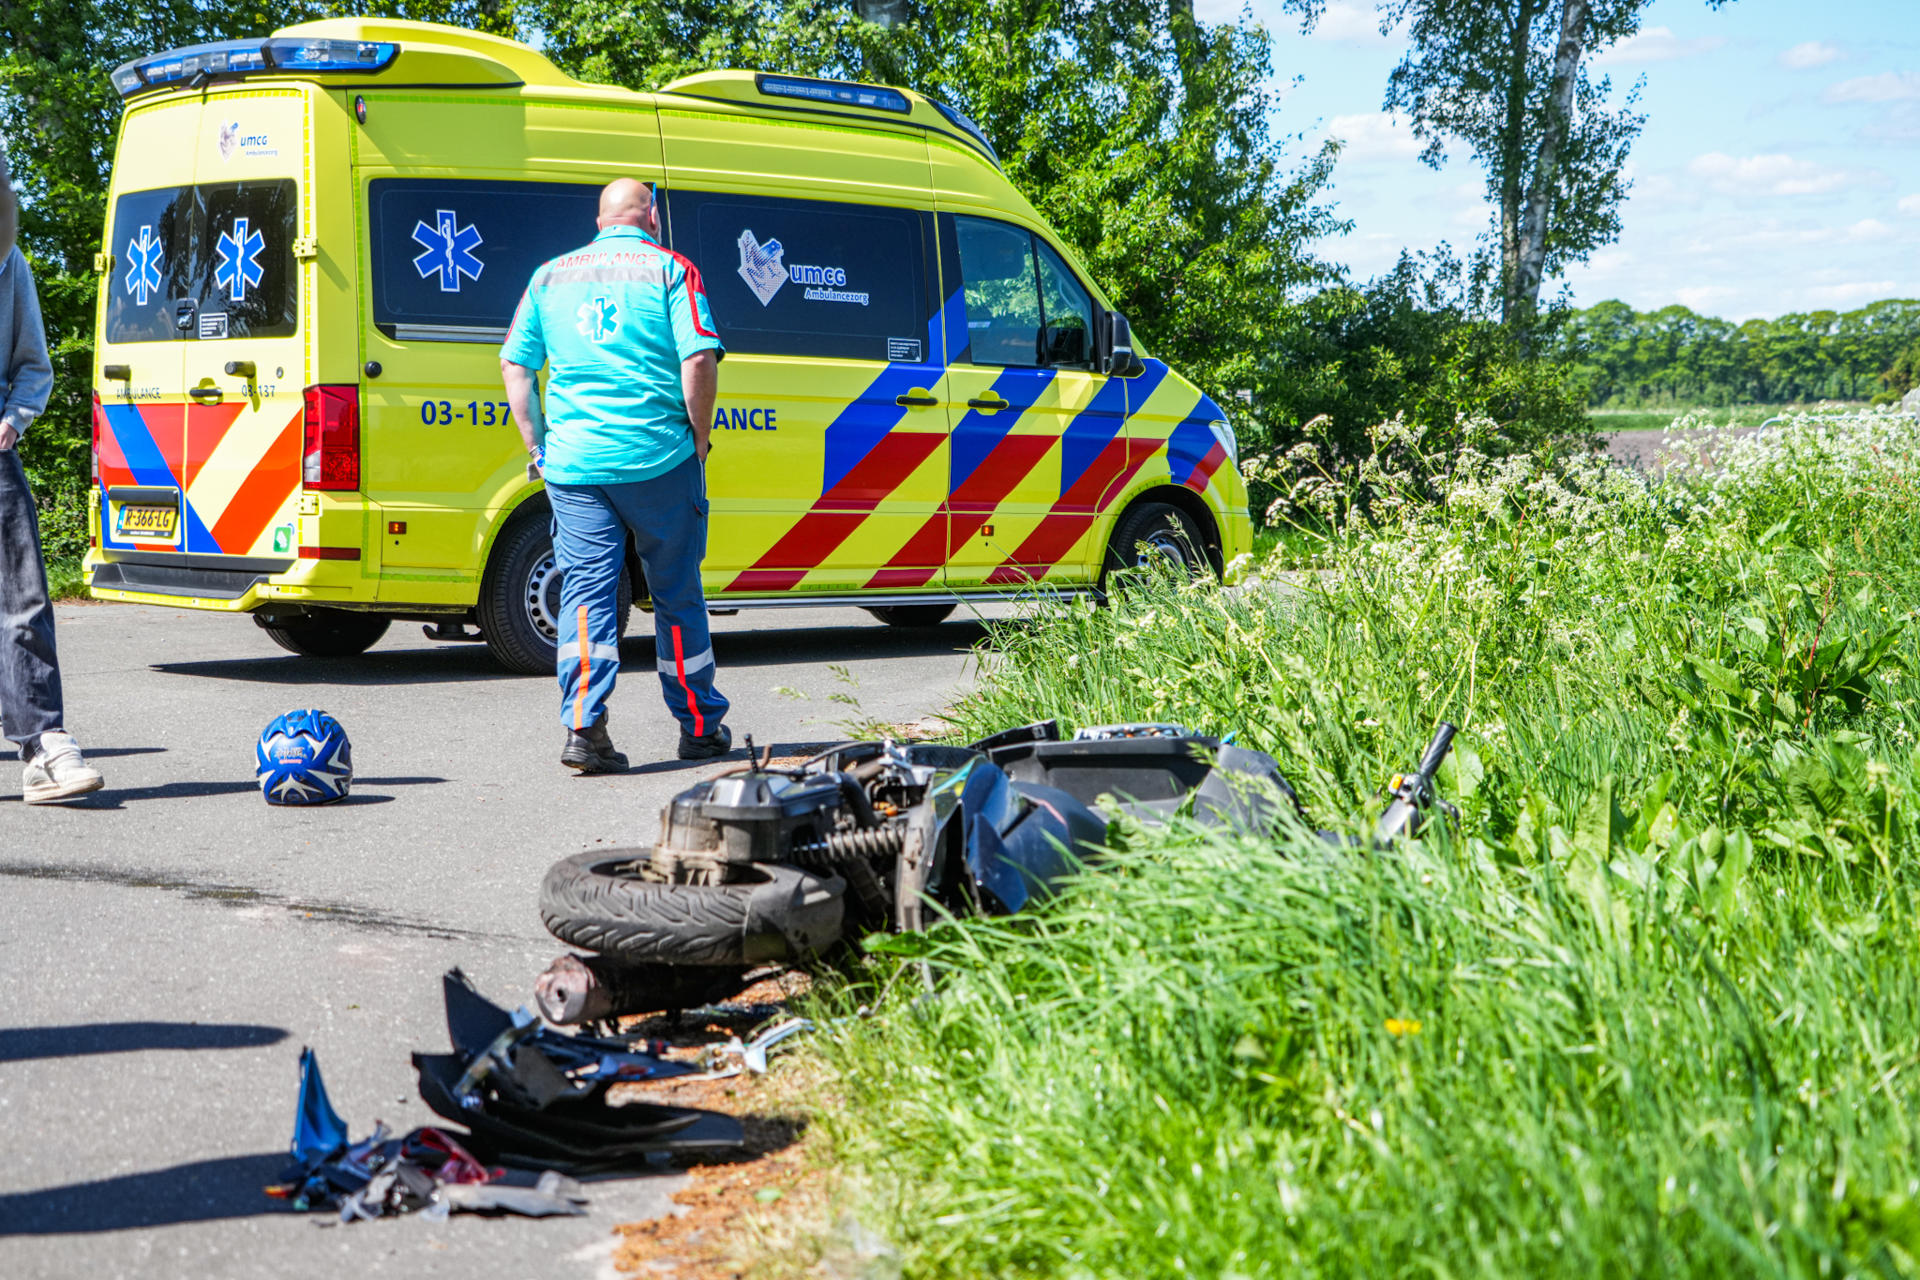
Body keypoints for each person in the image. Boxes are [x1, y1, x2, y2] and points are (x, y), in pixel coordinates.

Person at [501, 178, 732, 772]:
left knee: (586, 595)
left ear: (601, 219)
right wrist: (699, 438)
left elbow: (513, 362)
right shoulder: (672, 270)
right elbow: (699, 358)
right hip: (658, 458)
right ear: (649, 213)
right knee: (676, 590)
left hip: (575, 466)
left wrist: (539, 445)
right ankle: (700, 727)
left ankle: (584, 728)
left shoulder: (549, 276)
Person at [0, 144, 104, 803]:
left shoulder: (11, 268)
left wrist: (15, 416)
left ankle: (42, 743)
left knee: (23, 599)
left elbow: (34, 366)